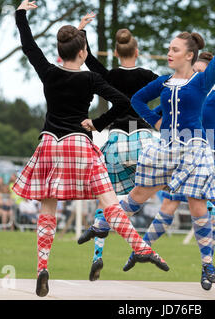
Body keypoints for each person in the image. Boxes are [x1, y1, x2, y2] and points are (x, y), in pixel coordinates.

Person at [12, 0, 168, 297]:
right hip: (79, 143)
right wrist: (98, 123)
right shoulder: (90, 78)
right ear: (83, 53)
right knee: (110, 202)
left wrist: (21, 13)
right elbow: (123, 101)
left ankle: (42, 266)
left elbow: (29, 45)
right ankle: (139, 246)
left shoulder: (49, 72)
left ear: (59, 53)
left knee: (48, 206)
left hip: (49, 144)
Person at [105, 6, 215, 291]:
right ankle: (104, 223)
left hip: (196, 148)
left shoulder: (201, 81)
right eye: (169, 49)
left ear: (189, 55)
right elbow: (138, 100)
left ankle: (207, 265)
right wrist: (154, 120)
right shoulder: (163, 81)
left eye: (175, 49)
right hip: (167, 149)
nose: (169, 53)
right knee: (138, 195)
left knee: (198, 204)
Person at [76, 14, 160, 281]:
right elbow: (175, 86)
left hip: (116, 140)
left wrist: (81, 31)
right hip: (143, 139)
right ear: (137, 51)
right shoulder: (148, 76)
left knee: (106, 198)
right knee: (171, 186)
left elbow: (88, 59)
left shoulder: (110, 75)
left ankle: (97, 255)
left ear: (115, 51)